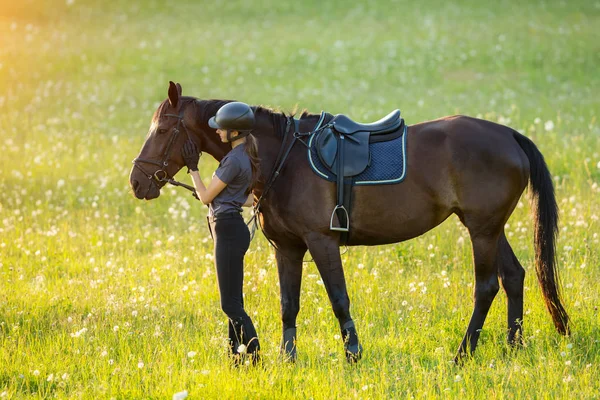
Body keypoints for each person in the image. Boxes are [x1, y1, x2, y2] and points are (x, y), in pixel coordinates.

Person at [181, 102, 261, 364]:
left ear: (235, 133)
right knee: (233, 301)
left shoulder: (232, 160)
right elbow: (245, 199)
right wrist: (217, 198)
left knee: (229, 305)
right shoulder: (241, 157)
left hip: (227, 229)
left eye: (222, 129)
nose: (217, 132)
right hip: (230, 227)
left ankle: (255, 356)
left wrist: (193, 168)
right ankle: (237, 359)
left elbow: (205, 196)